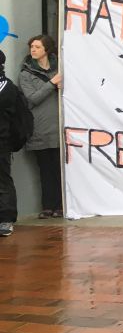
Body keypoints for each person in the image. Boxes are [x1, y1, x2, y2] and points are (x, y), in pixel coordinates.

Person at [19, 36, 63, 218]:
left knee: (60, 170)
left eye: (37, 46)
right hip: (39, 130)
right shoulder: (26, 74)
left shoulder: (60, 68)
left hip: (59, 129)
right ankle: (48, 206)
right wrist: (52, 84)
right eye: (31, 47)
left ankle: (61, 205)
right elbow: (32, 98)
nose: (33, 50)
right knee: (45, 170)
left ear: (47, 49)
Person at [0, 50, 33, 237]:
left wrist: (12, 142)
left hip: (1, 143)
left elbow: (20, 121)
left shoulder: (6, 88)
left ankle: (6, 219)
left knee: (2, 181)